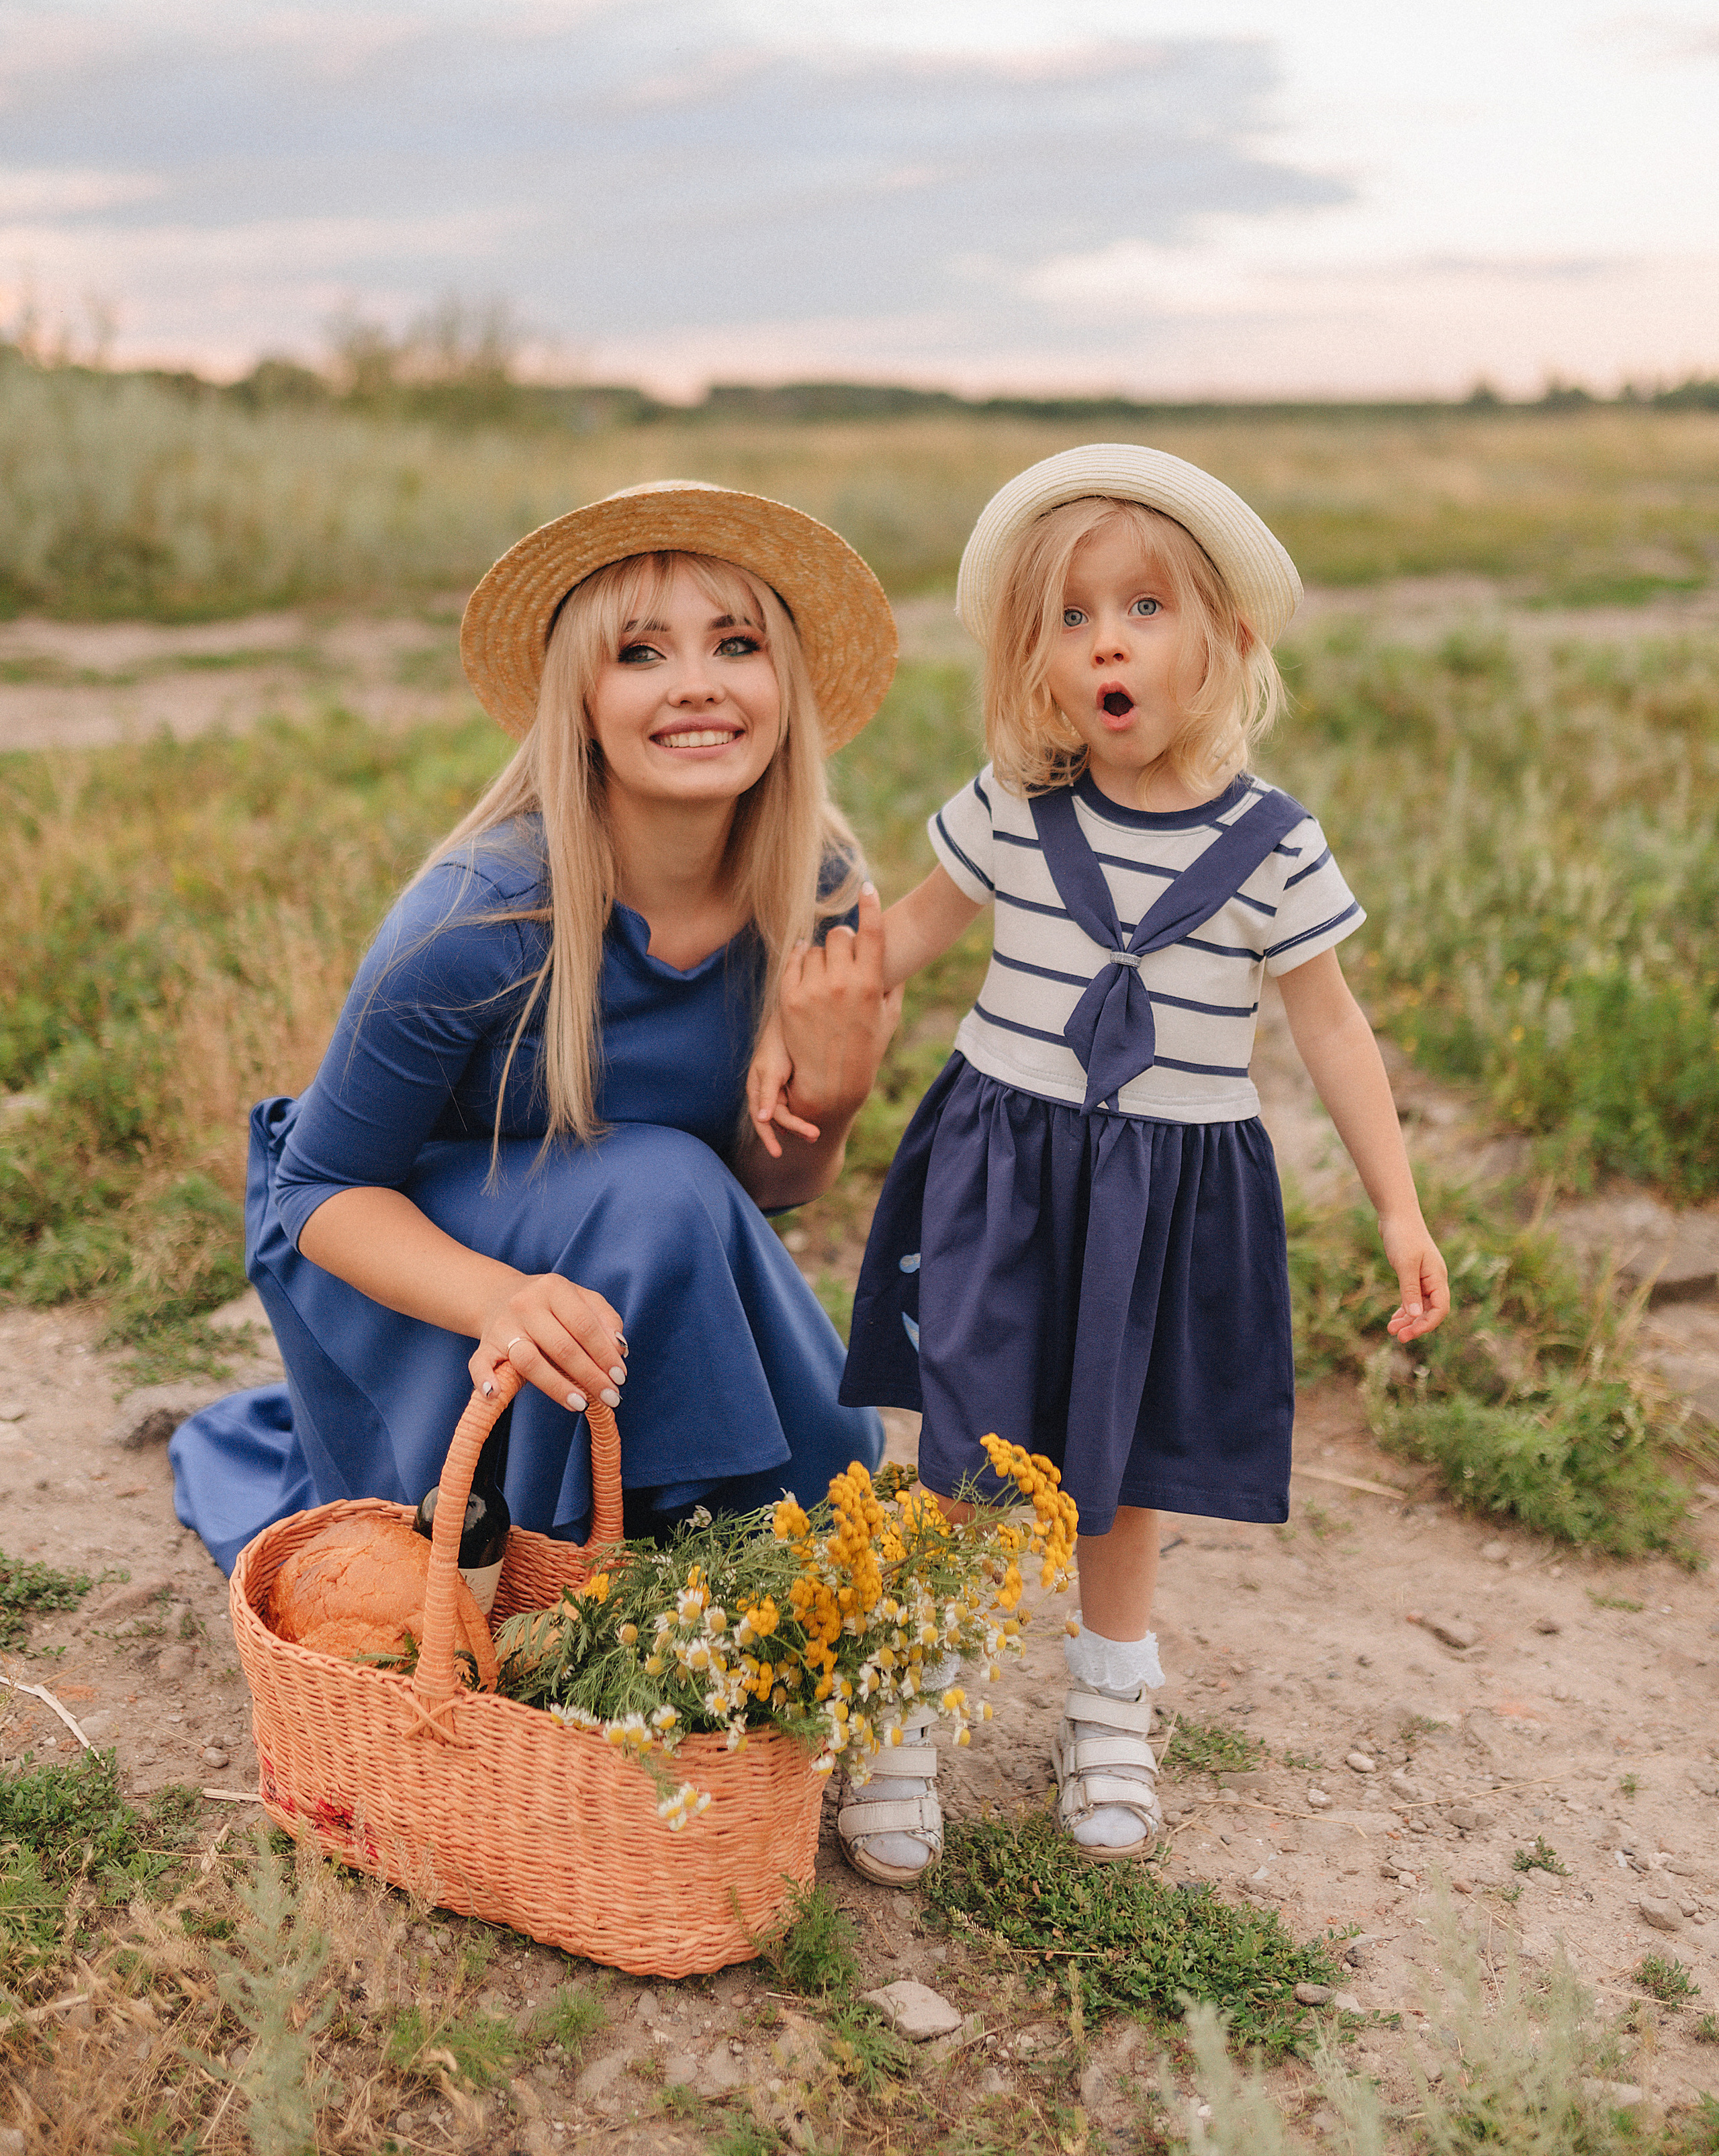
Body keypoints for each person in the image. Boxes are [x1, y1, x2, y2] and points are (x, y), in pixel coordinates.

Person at [749, 444, 1451, 1885]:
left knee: (1117, 1469)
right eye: (1070, 617)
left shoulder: (1271, 846)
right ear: (1039, 654)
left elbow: (1329, 1021)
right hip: (1002, 1173)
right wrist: (794, 1013)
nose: (1105, 640)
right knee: (958, 1450)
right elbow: (898, 942)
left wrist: (1398, 1204)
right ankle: (905, 1706)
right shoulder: (1016, 806)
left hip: (1168, 1186)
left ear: (1224, 637)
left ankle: (1109, 1703)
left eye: (1140, 607)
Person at [170, 482, 900, 1576]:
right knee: (657, 1181)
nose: (696, 685)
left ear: (783, 681)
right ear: (581, 700)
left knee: (696, 1236)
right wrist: (499, 1301)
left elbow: (757, 1191)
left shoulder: (818, 892)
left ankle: (676, 1541)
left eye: (736, 643)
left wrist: (832, 1101)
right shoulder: (478, 916)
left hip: (641, 1252)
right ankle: (570, 1544)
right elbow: (314, 1194)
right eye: (641, 654)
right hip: (419, 1258)